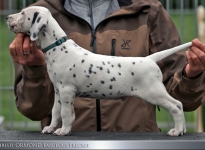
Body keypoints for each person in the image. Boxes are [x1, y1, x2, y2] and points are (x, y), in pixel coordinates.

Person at [9, 0, 205, 132]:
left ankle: (178, 122)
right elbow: (33, 108)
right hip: (70, 144)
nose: (14, 17)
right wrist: (35, 70)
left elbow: (185, 98)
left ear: (37, 24)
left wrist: (192, 75)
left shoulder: (148, 10)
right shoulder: (43, 12)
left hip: (138, 141)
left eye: (21, 15)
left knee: (161, 98)